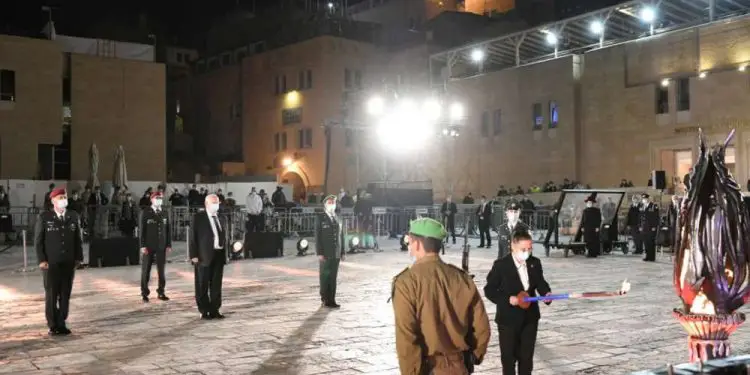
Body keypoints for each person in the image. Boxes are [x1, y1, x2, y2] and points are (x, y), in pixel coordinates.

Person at [392, 218, 490, 374]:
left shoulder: (407, 282)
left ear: (417, 243)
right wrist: (472, 358)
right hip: (459, 366)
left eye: (409, 240)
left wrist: (412, 371)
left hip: (427, 368)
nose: (408, 245)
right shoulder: (461, 278)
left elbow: (406, 337)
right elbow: (481, 326)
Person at [484, 230, 552, 375]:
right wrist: (507, 299)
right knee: (508, 358)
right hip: (508, 319)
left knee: (526, 358)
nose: (527, 252)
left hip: (530, 318)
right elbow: (489, 289)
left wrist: (546, 293)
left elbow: (540, 282)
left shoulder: (535, 263)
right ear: (513, 247)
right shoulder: (501, 265)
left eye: (529, 248)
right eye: (523, 249)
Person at [34, 188, 83, 335]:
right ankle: (52, 324)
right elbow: (38, 241)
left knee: (65, 293)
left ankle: (62, 322)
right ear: (53, 200)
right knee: (51, 294)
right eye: (60, 197)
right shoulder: (45, 217)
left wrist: (79, 258)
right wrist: (42, 260)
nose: (63, 200)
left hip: (68, 262)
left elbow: (78, 239)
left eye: (65, 197)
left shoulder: (73, 216)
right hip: (51, 263)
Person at [190, 194, 227, 319]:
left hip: (219, 254)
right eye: (213, 202)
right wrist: (193, 255)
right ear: (206, 204)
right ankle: (204, 310)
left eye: (217, 202)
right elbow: (192, 237)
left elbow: (223, 235)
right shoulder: (198, 217)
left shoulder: (221, 217)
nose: (216, 205)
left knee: (216, 284)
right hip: (203, 255)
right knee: (202, 284)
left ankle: (215, 309)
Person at [139, 191, 172, 303]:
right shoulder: (146, 212)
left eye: (161, 198)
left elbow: (168, 229)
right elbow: (142, 230)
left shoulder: (165, 212)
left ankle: (161, 292)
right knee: (146, 270)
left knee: (161, 271)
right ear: (152, 199)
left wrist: (168, 244)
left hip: (161, 246)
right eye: (157, 198)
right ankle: (144, 293)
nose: (159, 200)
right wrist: (142, 245)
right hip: (148, 246)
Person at [316, 195, 345, 308]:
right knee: (325, 276)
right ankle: (324, 298)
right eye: (329, 202)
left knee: (333, 277)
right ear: (325, 204)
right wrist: (320, 252)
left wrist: (342, 252)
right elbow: (318, 236)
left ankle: (332, 299)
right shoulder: (320, 218)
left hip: (336, 252)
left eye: (333, 202)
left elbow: (341, 236)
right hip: (325, 253)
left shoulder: (338, 217)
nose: (332, 204)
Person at [637, 193, 660, 262]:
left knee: (651, 242)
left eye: (646, 199)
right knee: (646, 242)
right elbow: (639, 217)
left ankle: (652, 257)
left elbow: (656, 217)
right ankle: (647, 256)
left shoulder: (653, 206)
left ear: (648, 199)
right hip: (644, 227)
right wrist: (639, 226)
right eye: (643, 199)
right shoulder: (641, 206)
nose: (644, 200)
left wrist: (654, 226)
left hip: (651, 227)